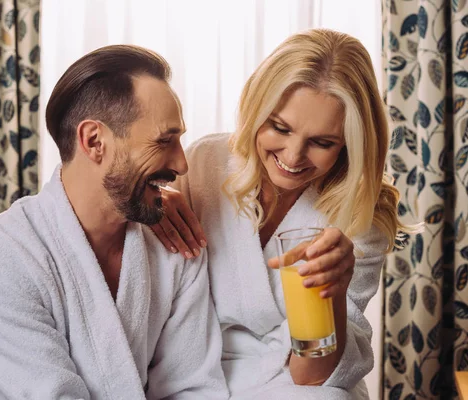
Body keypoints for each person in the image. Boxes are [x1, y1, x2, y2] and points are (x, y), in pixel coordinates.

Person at [0, 45, 228, 399]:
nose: (182, 164)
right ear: (94, 141)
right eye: (164, 140)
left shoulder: (174, 247)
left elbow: (193, 386)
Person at [151, 29, 414, 399]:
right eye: (280, 128)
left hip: (295, 382)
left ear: (349, 144)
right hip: (197, 370)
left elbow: (310, 376)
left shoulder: (359, 218)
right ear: (257, 109)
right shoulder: (203, 163)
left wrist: (332, 294)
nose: (292, 157)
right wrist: (149, 205)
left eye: (322, 143)